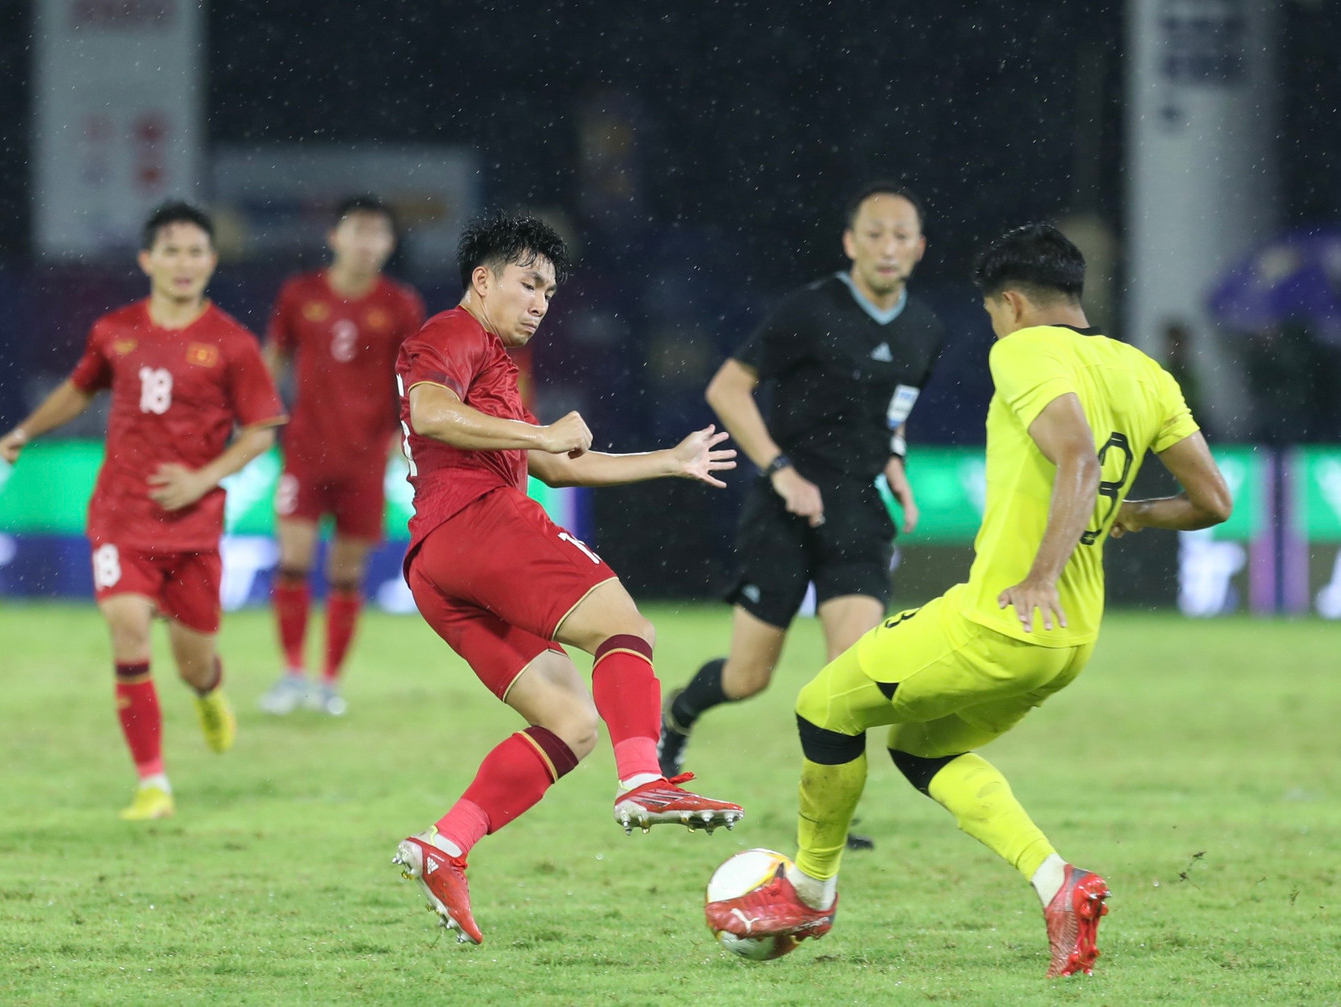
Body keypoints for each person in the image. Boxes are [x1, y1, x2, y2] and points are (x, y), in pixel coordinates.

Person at [705, 223, 1233, 977]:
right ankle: (1060, 883)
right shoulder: (1141, 370)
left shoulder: (1022, 349)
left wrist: (1043, 571)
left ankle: (810, 893)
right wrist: (1139, 513)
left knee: (822, 706)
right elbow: (1213, 499)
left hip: (1002, 619)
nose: (992, 325)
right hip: (1070, 642)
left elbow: (1078, 454)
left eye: (991, 312)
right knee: (924, 748)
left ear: (1012, 303)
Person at [390, 211, 745, 945]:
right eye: (527, 283)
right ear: (482, 281)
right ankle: (644, 778)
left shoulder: (493, 362)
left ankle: (444, 844)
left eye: (549, 291)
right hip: (479, 523)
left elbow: (556, 463)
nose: (540, 302)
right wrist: (537, 431)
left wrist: (668, 460)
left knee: (572, 723)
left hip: (436, 564)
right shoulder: (455, 332)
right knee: (627, 627)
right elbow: (428, 411)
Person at [658, 181, 945, 849]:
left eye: (901, 235)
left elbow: (891, 418)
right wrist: (779, 470)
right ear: (850, 242)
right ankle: (677, 713)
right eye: (873, 233)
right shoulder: (809, 311)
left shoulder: (926, 329)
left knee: (852, 675)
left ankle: (829, 821)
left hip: (860, 512)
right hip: (784, 507)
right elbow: (726, 389)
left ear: (919, 248)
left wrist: (897, 471)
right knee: (748, 676)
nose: (887, 246)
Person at [0, 201, 287, 821]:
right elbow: (80, 388)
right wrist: (26, 431)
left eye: (196, 252)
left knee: (193, 660)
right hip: (120, 516)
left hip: (195, 526)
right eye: (172, 251)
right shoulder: (114, 330)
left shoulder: (232, 343)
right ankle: (152, 782)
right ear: (147, 260)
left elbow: (262, 430)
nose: (184, 263)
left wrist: (201, 478)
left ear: (211, 261)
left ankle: (208, 692)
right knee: (127, 633)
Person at [258, 195, 426, 716]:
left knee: (346, 574)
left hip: (364, 459)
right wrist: (260, 418)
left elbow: (413, 379)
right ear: (335, 237)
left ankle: (329, 682)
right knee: (293, 562)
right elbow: (274, 357)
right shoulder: (300, 294)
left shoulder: (399, 305)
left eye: (377, 234)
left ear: (389, 244)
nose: (367, 243)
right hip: (305, 452)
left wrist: (406, 439)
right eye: (358, 231)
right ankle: (290, 674)